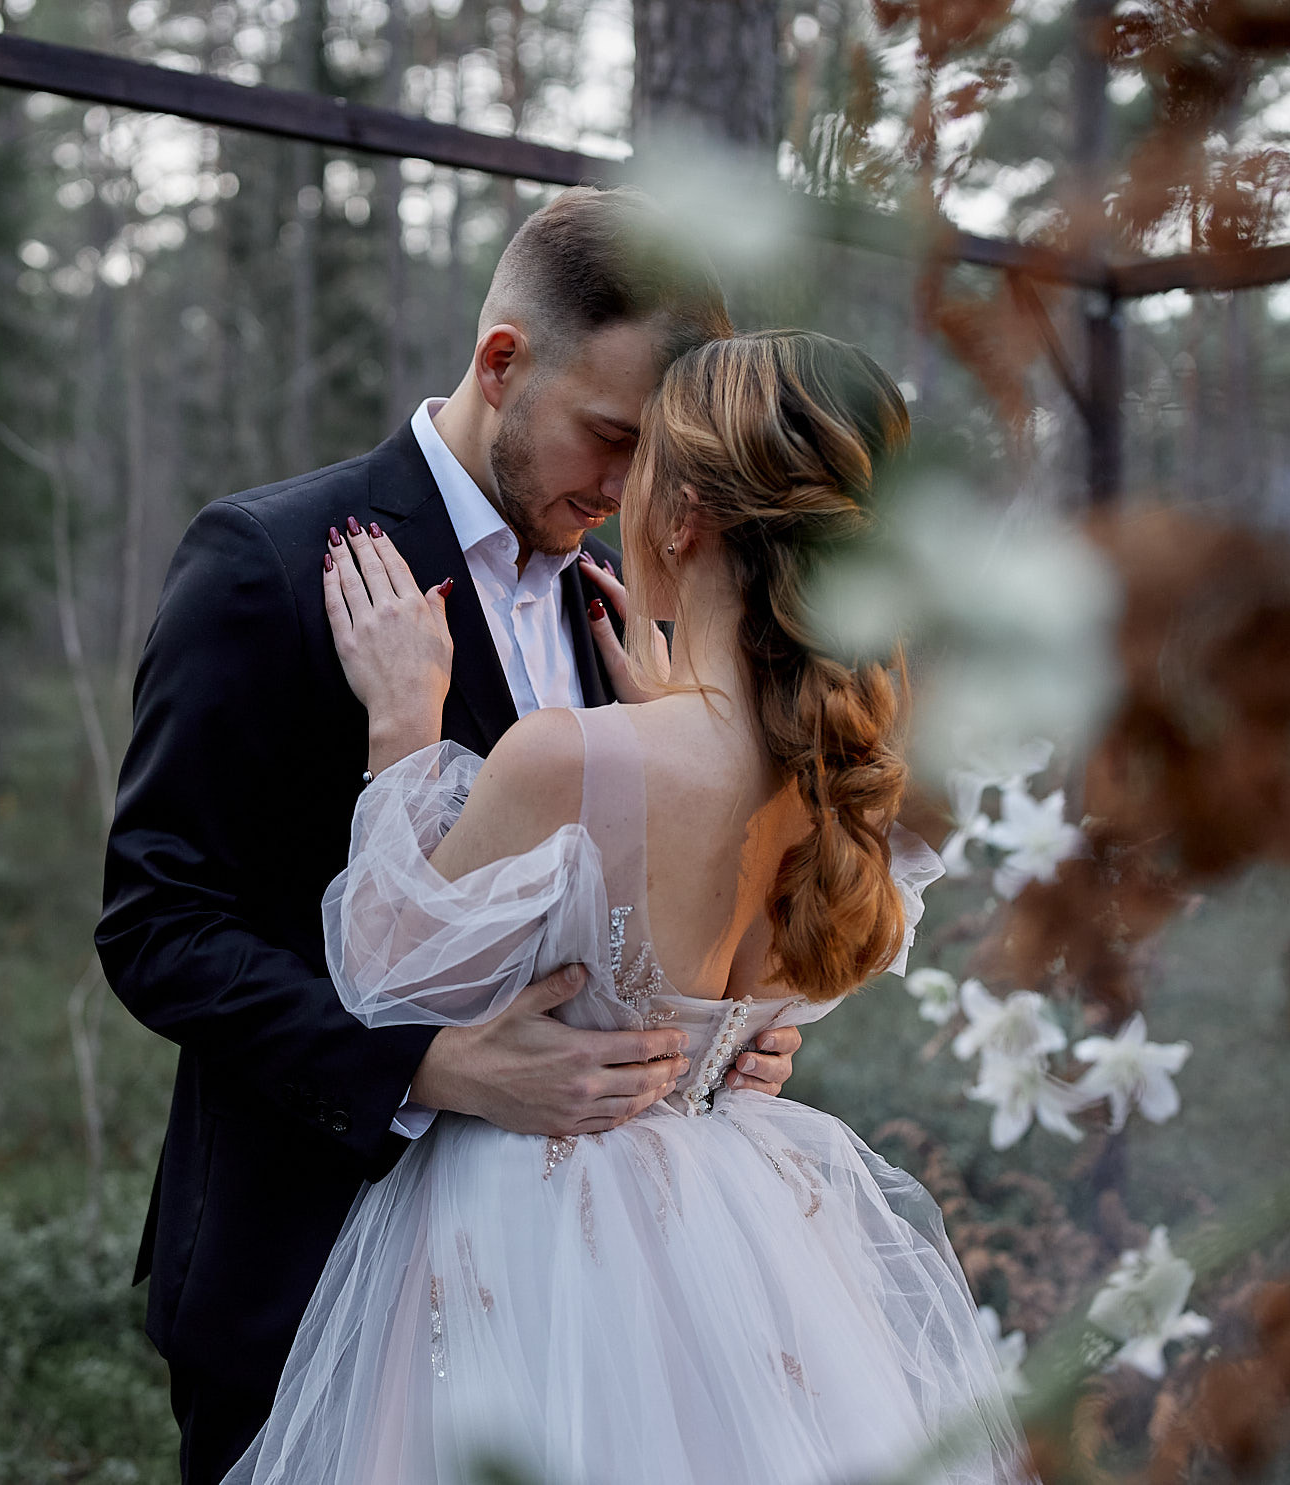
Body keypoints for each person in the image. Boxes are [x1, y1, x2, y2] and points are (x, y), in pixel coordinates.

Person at [227, 330, 1033, 1484]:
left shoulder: (570, 762)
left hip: (532, 1248)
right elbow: (747, 981)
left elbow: (381, 976)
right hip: (753, 1245)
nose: (616, 494)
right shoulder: (849, 785)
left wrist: (405, 730)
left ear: (685, 511)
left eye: (643, 461)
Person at [95, 186, 809, 1484]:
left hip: (573, 1305)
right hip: (305, 1262)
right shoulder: (270, 562)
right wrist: (428, 1065)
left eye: (664, 460)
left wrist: (709, 1036)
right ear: (501, 362)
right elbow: (157, 925)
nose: (631, 488)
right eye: (611, 435)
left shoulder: (631, 606)